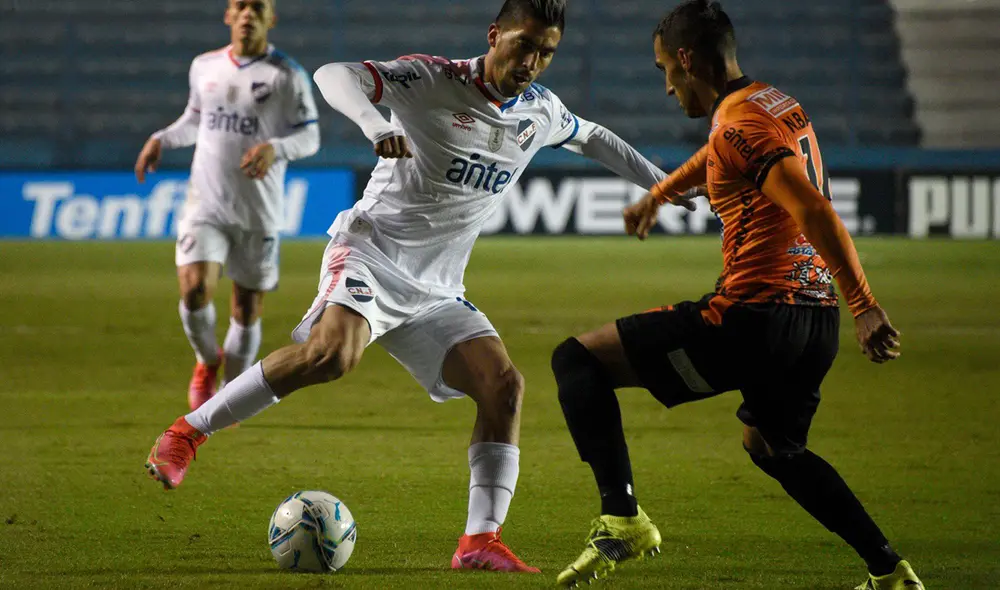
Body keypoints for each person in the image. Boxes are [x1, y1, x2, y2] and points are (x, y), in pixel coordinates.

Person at [144, 0, 694, 573]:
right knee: (331, 357)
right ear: (494, 36)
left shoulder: (540, 111)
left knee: (503, 387)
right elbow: (337, 76)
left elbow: (595, 138)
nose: (532, 61)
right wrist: (377, 123)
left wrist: (665, 185)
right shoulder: (433, 78)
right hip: (372, 252)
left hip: (437, 288)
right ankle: (187, 432)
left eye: (546, 52)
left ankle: (478, 541)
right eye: (523, 44)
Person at [552, 2, 924, 588]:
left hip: (754, 318)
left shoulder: (737, 125)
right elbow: (720, 156)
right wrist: (661, 191)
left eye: (663, 71)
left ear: (685, 60)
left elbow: (813, 208)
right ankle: (889, 571)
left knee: (576, 358)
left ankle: (621, 519)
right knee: (774, 447)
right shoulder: (770, 103)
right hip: (812, 325)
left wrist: (868, 305)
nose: (667, 88)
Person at [135, 0, 320, 410]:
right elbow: (196, 119)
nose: (247, 14)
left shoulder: (287, 75)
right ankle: (206, 363)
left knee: (246, 307)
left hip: (259, 209)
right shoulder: (205, 66)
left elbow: (310, 137)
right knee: (196, 288)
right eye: (240, 6)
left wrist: (276, 147)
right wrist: (161, 139)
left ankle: (233, 391)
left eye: (257, 7)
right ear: (228, 16)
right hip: (205, 203)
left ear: (271, 18)